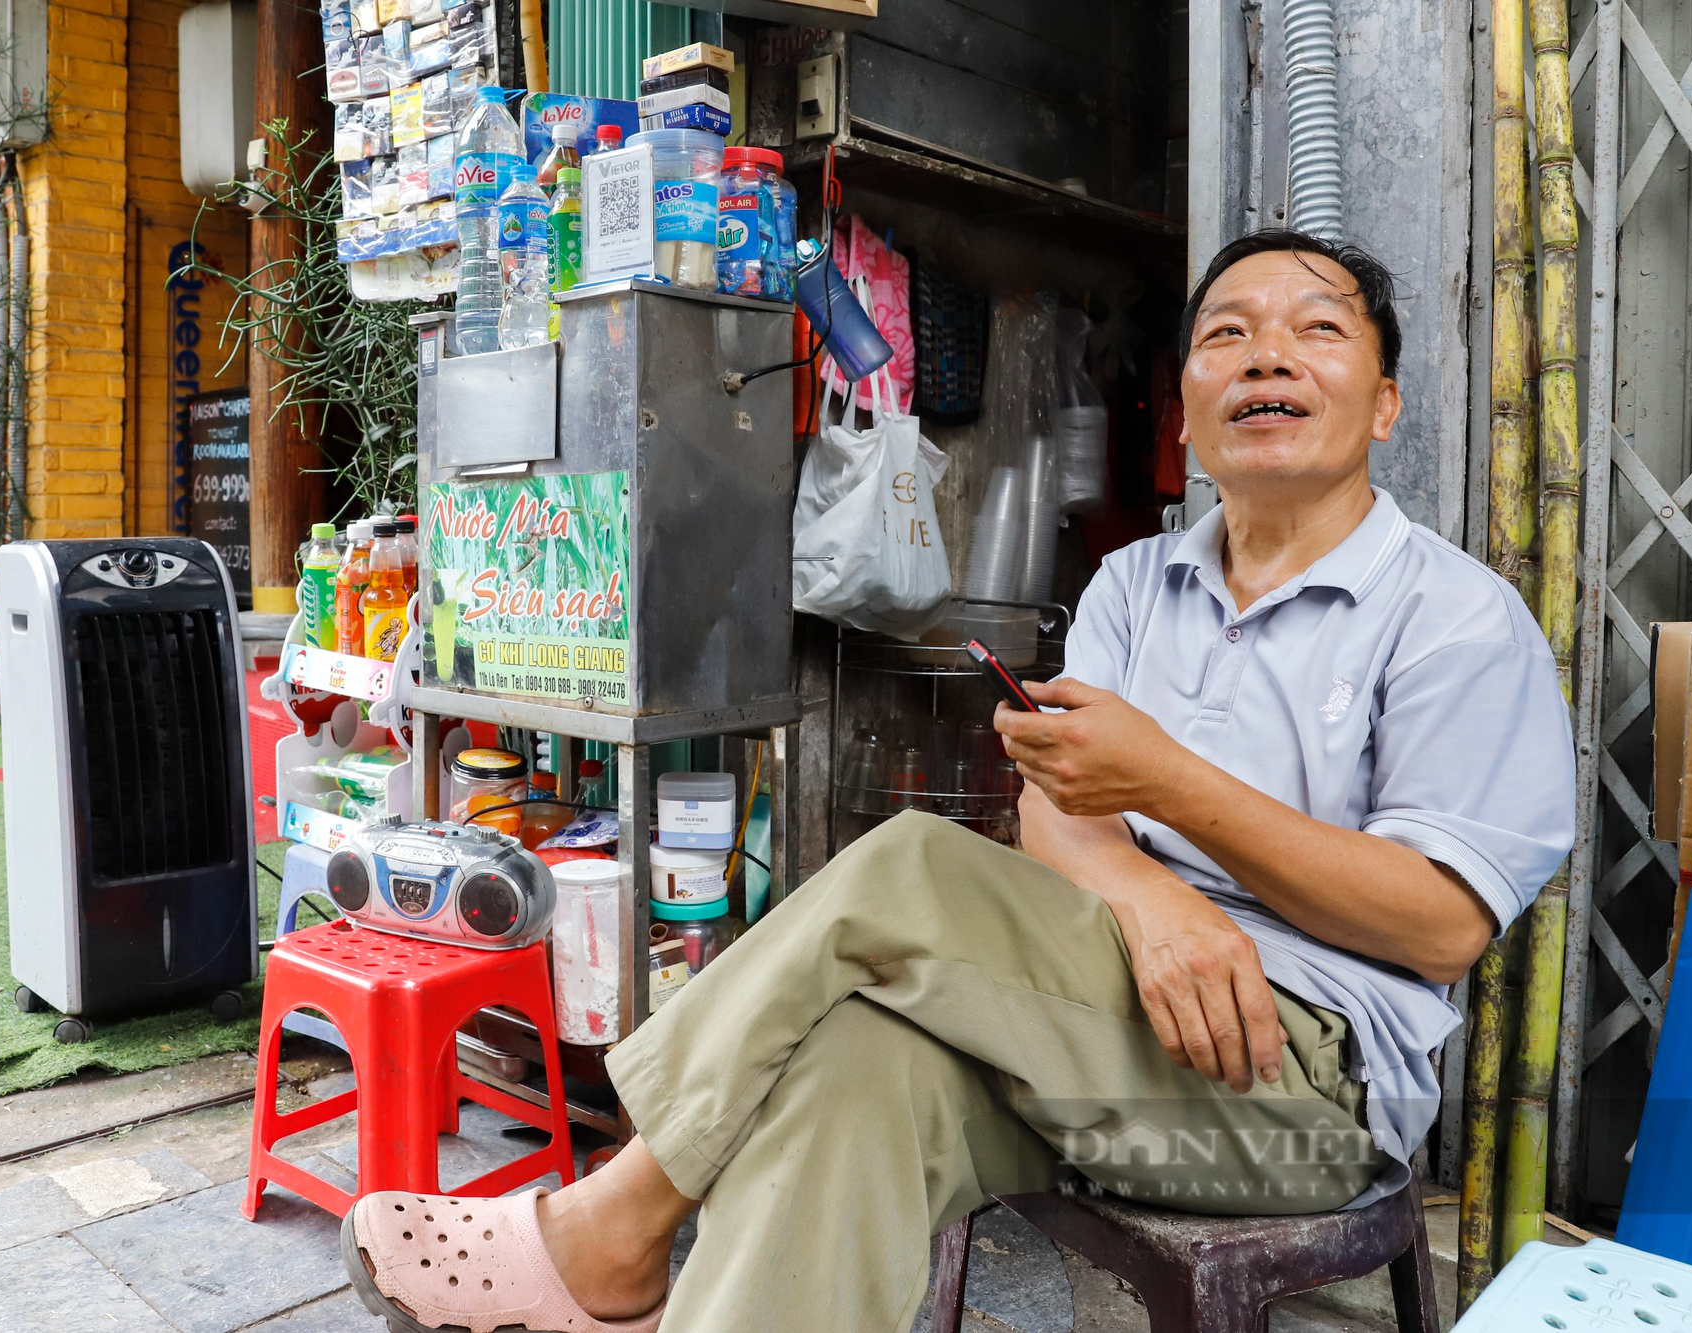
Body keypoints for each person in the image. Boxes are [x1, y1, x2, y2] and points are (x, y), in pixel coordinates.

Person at [337, 229, 1576, 1333]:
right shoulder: (1141, 584)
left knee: (914, 865)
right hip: (1103, 1029)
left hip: (1292, 1088)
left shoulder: (1456, 621)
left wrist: (1174, 791)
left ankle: (614, 1222)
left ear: (1386, 404)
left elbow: (1440, 922)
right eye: (1226, 337)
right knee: (853, 1070)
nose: (1266, 359)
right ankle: (630, 1260)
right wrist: (1153, 902)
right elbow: (1056, 799)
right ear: (1186, 409)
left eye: (1315, 332)